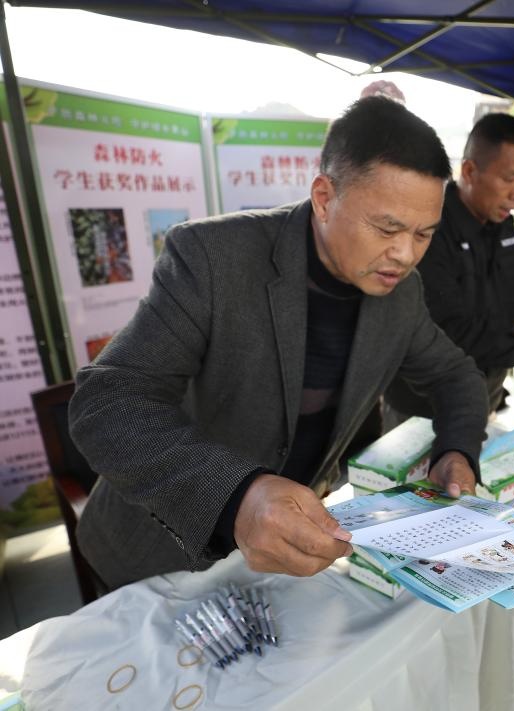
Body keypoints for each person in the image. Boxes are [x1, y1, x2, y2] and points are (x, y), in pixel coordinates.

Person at [68, 97, 489, 589]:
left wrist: (456, 450)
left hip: (281, 555)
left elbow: (454, 374)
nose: (404, 253)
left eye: (424, 234)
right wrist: (235, 496)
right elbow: (107, 401)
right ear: (325, 197)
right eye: (387, 228)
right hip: (160, 549)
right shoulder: (213, 258)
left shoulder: (400, 293)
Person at [384, 112, 514, 420]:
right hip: (423, 407)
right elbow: (451, 330)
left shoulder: (506, 231)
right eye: (509, 178)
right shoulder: (430, 230)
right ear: (469, 170)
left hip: (483, 395)